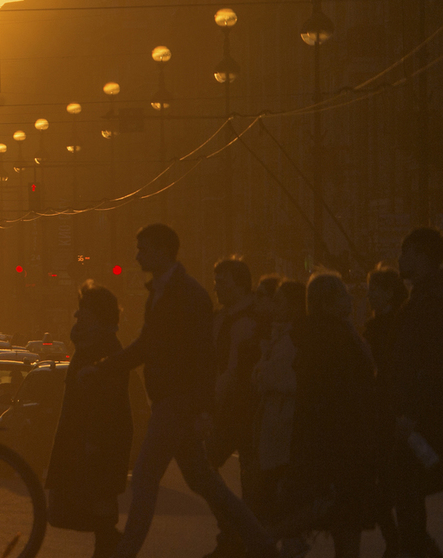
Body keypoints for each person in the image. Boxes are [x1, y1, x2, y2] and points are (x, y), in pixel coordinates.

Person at [79, 223, 276, 558]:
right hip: (173, 399)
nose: (137, 254)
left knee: (143, 478)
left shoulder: (187, 295)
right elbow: (150, 345)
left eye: (143, 248)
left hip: (176, 401)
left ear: (163, 251)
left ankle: (124, 553)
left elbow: (199, 355)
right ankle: (263, 545)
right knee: (204, 481)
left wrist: (103, 368)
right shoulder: (164, 291)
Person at [283, 272, 374, 558]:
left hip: (335, 438)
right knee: (342, 518)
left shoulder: (332, 332)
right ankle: (262, 536)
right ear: (327, 303)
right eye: (343, 296)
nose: (350, 300)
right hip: (337, 439)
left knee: (338, 517)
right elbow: (332, 393)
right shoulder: (330, 337)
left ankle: (267, 536)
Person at [390, 227, 443, 558]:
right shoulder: (435, 296)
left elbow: (432, 366)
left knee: (406, 488)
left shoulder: (431, 302)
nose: (400, 259)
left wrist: (412, 413)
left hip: (433, 419)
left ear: (421, 255)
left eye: (405, 252)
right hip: (441, 416)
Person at [44, 282, 131, 558]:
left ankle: (111, 547)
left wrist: (94, 440)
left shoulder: (104, 347)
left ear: (98, 316)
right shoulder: (90, 344)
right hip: (84, 434)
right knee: (93, 497)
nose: (76, 316)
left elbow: (108, 401)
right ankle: (107, 546)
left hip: (99, 435)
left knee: (100, 495)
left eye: (84, 311)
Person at [208, 257, 265, 558]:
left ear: (241, 285)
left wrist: (212, 403)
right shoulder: (219, 319)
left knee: (251, 481)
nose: (217, 288)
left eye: (223, 283)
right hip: (227, 411)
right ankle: (232, 534)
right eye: (215, 282)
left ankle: (245, 541)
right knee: (204, 468)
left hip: (249, 411)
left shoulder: (254, 320)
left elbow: (231, 372)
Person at [251, 279, 304, 538]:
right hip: (273, 417)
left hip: (285, 419)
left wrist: (264, 374)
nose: (275, 307)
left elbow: (273, 378)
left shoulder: (293, 337)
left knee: (275, 487)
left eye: (280, 301)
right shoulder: (277, 334)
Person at [363, 265, 408, 557]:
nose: (369, 296)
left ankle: (400, 541)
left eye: (374, 290)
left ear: (389, 292)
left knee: (386, 482)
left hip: (389, 412)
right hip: (381, 412)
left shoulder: (389, 325)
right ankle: (403, 541)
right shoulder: (379, 323)